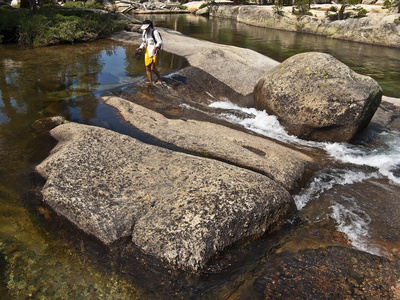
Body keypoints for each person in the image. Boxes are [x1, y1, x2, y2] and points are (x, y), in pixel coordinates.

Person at [137, 20, 163, 84]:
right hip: (147, 51)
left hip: (154, 52)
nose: (145, 29)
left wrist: (155, 47)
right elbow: (144, 42)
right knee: (147, 67)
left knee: (152, 68)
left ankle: (159, 79)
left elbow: (159, 42)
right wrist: (140, 47)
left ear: (149, 26)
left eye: (146, 28)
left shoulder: (154, 32)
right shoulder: (144, 32)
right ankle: (150, 81)